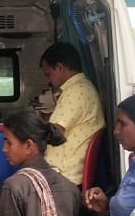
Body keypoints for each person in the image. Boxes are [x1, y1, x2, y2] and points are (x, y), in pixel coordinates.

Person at [39, 43, 106, 185]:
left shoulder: (75, 92)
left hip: (62, 173)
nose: (47, 80)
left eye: (48, 74)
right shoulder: (83, 87)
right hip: (64, 170)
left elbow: (54, 132)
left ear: (60, 68)